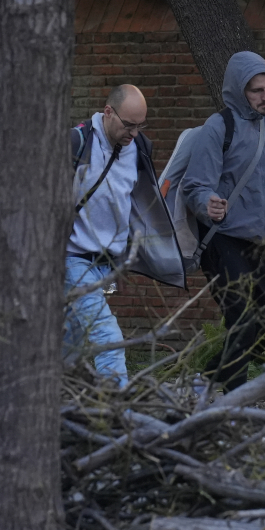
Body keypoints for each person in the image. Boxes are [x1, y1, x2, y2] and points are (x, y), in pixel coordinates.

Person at [181, 51, 265, 391]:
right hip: (223, 238)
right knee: (242, 319)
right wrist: (206, 203)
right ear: (238, 91)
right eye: (257, 90)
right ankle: (235, 400)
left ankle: (209, 379)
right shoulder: (220, 127)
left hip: (263, 243)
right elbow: (195, 185)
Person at [64, 85, 185, 388]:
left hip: (107, 263)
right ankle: (118, 411)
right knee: (107, 334)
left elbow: (137, 202)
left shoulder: (140, 147)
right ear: (108, 112)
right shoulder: (77, 141)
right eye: (128, 124)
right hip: (73, 257)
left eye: (140, 125)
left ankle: (43, 398)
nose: (134, 132)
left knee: (71, 339)